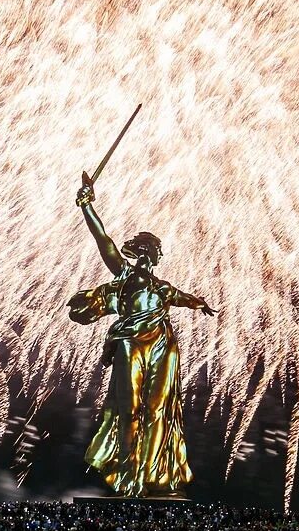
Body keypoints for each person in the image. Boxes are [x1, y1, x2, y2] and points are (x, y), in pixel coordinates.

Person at [69, 175, 216, 497]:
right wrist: (87, 205)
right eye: (158, 251)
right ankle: (129, 474)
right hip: (129, 341)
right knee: (129, 407)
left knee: (159, 407)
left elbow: (184, 298)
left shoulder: (161, 286)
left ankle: (152, 474)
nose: (161, 257)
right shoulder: (123, 273)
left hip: (163, 343)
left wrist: (198, 303)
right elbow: (103, 239)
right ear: (147, 252)